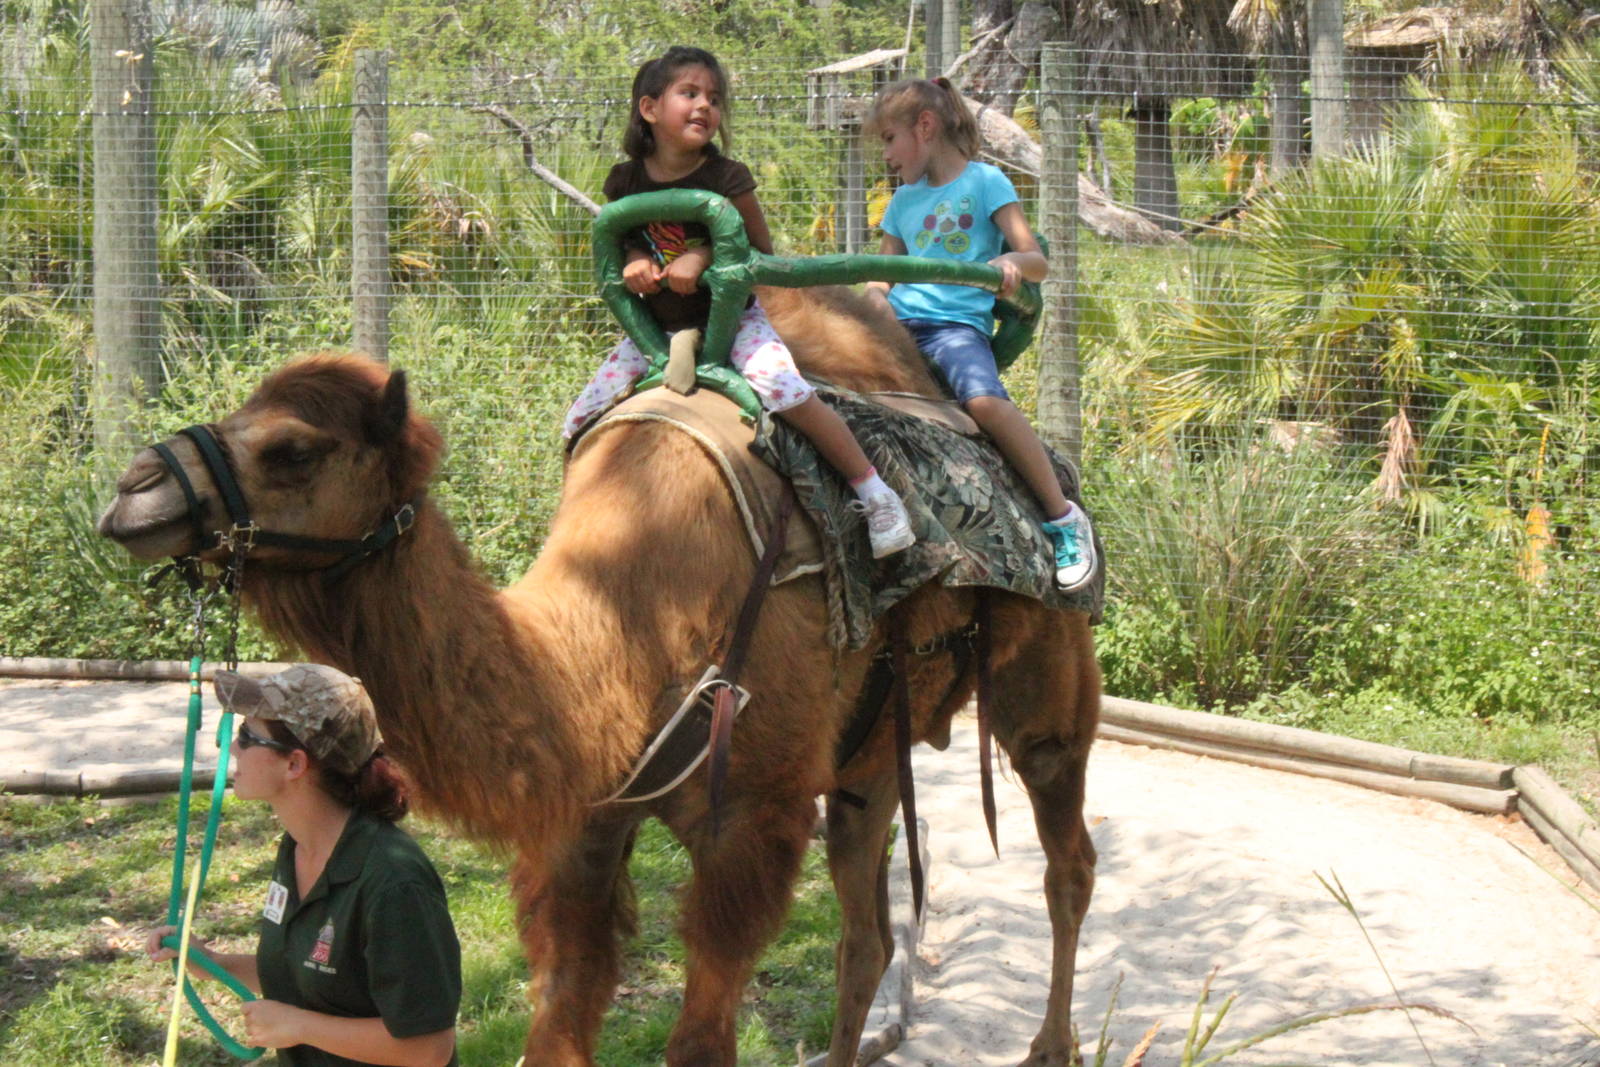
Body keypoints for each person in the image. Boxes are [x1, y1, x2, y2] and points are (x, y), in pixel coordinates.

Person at [562, 45, 915, 559]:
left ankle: (874, 492)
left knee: (789, 393)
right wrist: (637, 258)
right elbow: (625, 237)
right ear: (649, 109)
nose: (705, 106)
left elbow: (759, 250)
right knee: (581, 416)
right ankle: (576, 528)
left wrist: (702, 255)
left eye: (714, 98)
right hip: (654, 332)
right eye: (689, 93)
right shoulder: (625, 180)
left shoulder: (726, 178)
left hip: (731, 320)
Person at [146, 664, 461, 1067]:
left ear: (295, 765)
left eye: (247, 736)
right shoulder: (297, 846)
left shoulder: (394, 883)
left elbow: (429, 1049)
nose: (232, 747)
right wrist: (213, 963)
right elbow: (315, 978)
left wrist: (300, 1027)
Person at [864, 76, 1097, 591]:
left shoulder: (987, 182)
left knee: (985, 403)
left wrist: (1010, 262)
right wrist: (873, 294)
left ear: (924, 128)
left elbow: (1036, 260)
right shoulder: (902, 201)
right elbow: (884, 272)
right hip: (900, 325)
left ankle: (1062, 517)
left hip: (954, 327)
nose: (886, 155)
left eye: (888, 139)